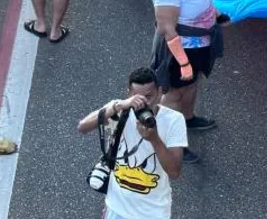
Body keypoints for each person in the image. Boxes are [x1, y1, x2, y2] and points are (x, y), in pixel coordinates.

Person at [150, 0, 225, 164]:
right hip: (182, 49)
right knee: (174, 95)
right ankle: (170, 143)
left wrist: (217, 14)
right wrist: (182, 62)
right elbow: (167, 28)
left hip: (199, 43)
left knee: (191, 86)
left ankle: (189, 118)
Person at [77, 67, 186, 219]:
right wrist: (118, 106)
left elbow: (174, 171)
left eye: (148, 96)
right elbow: (82, 127)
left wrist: (154, 139)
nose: (143, 103)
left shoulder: (174, 120)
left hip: (153, 212)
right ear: (129, 94)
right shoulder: (119, 110)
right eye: (137, 97)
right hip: (116, 208)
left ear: (160, 92)